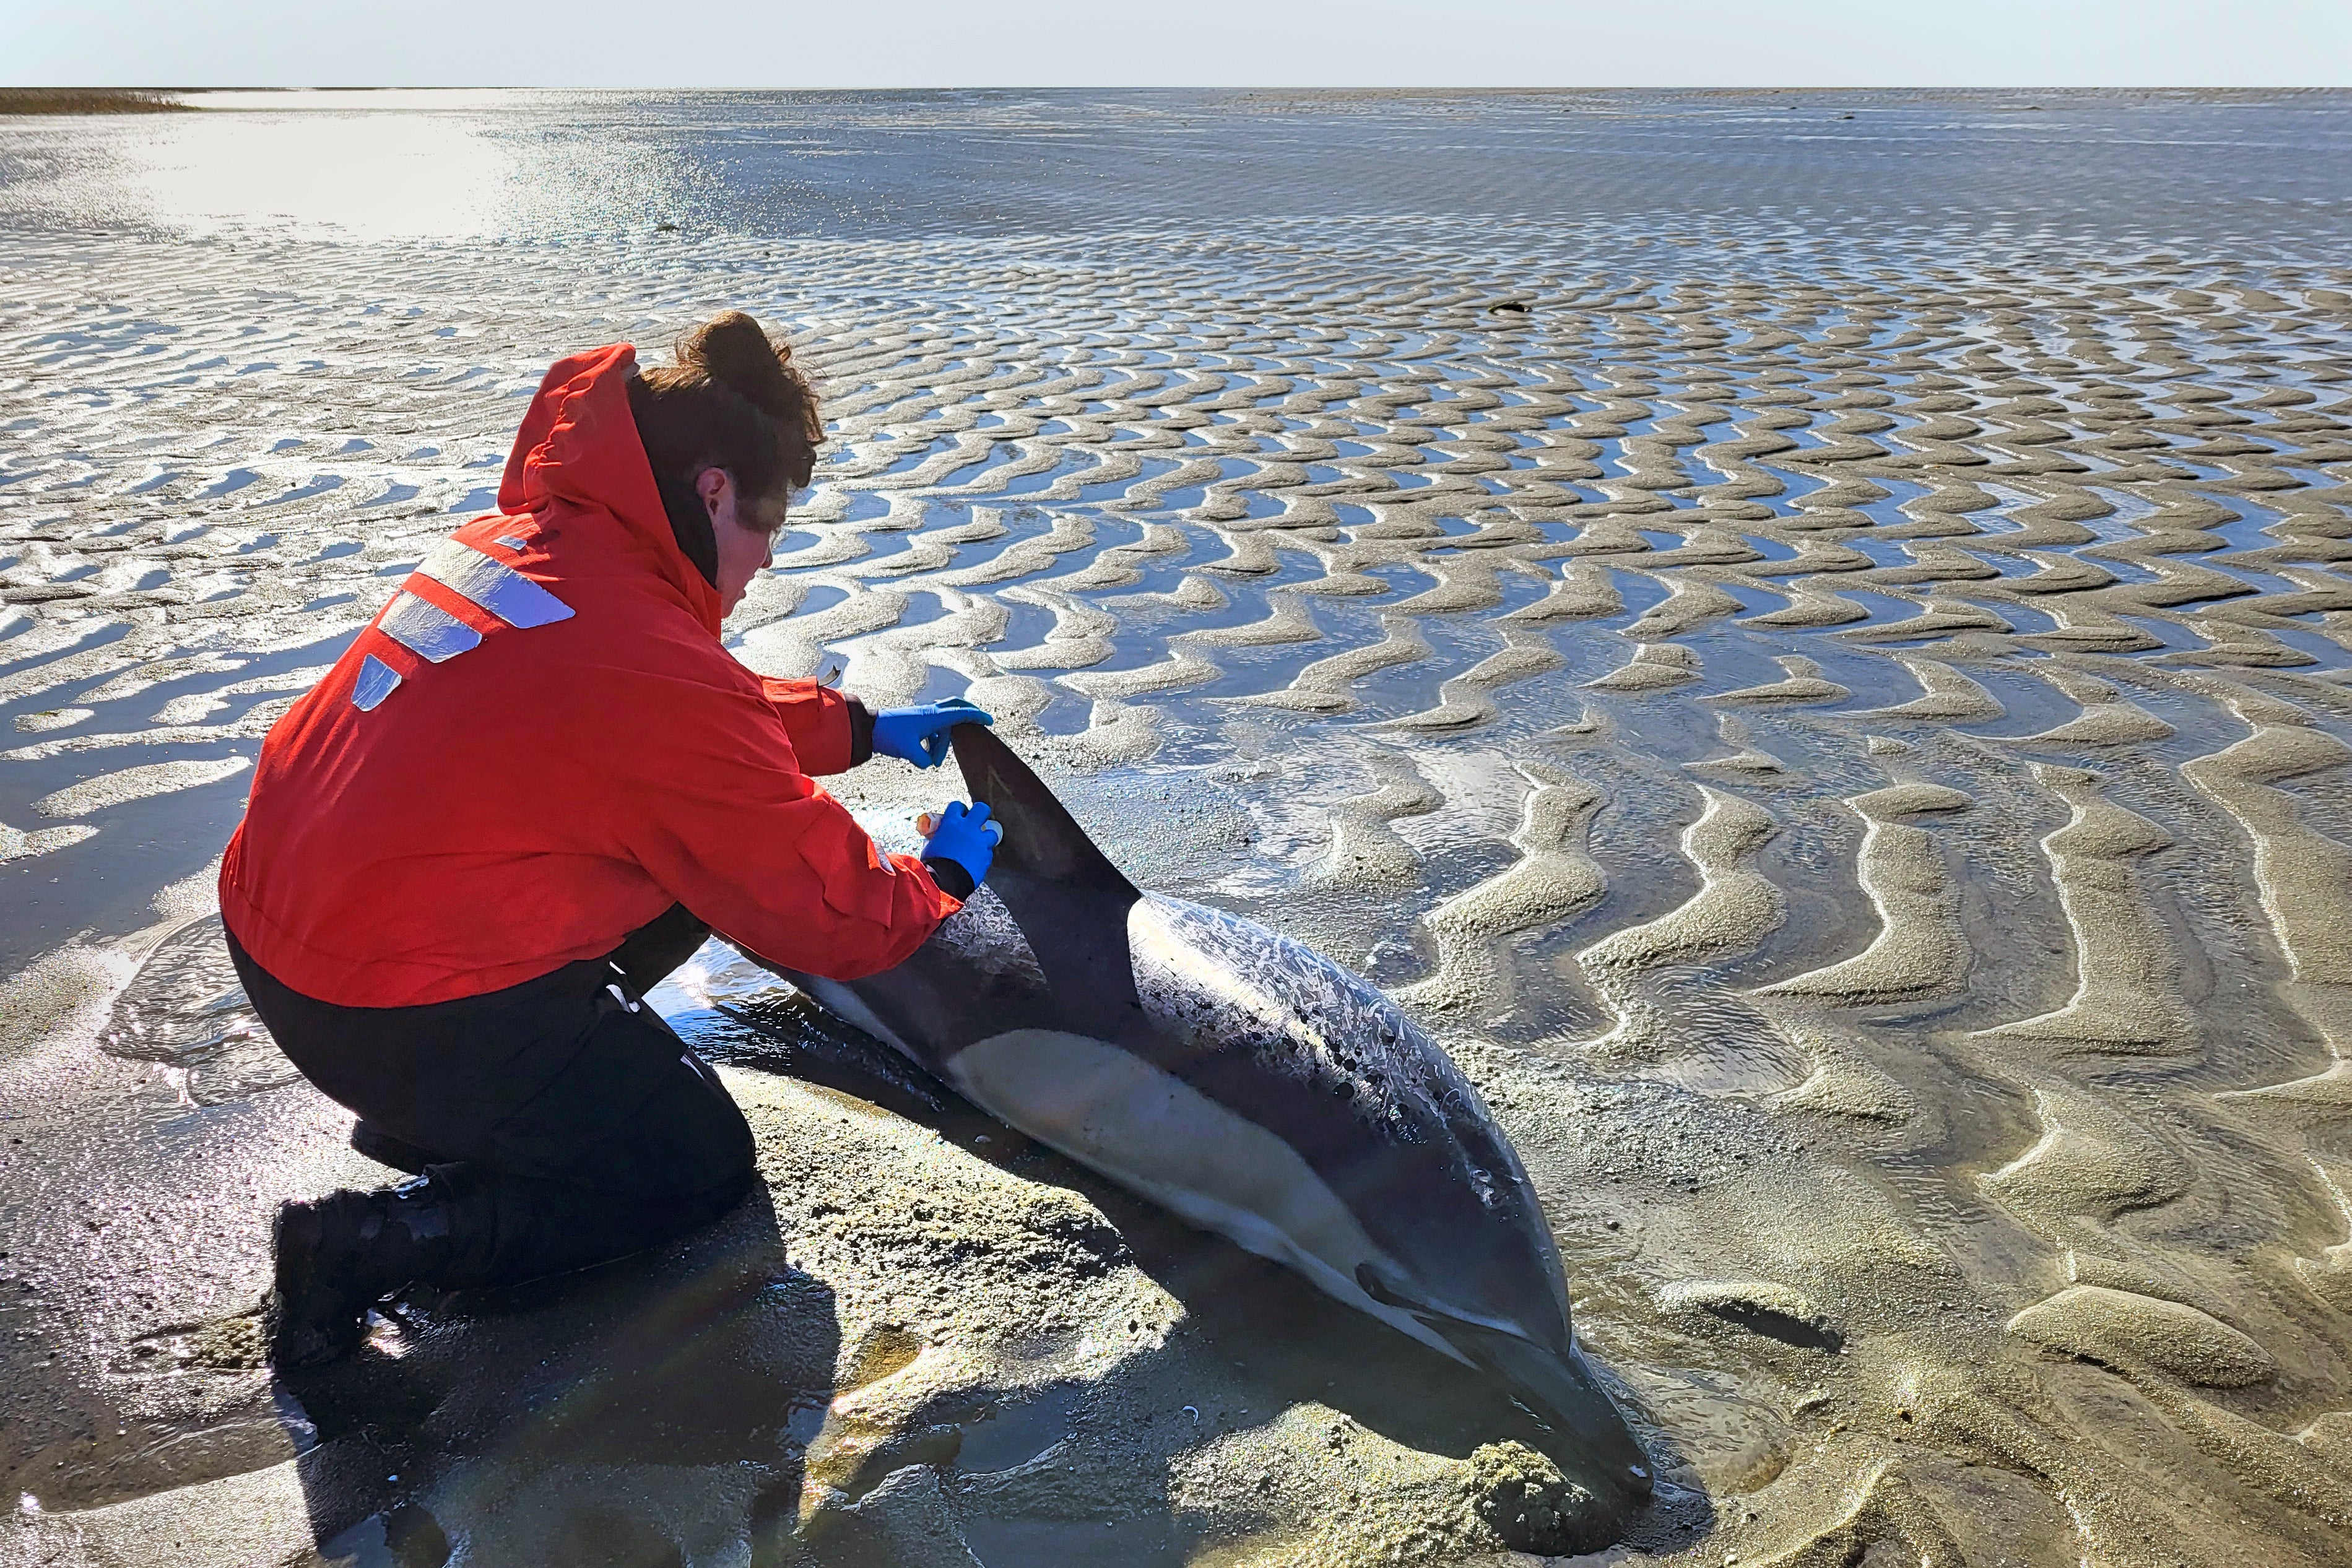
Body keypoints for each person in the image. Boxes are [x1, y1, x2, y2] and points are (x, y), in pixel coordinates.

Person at [218, 311, 1004, 1366]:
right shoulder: (644, 661)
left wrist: (857, 726)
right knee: (698, 1169)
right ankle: (373, 1241)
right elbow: (823, 907)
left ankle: (469, 1111)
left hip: (284, 934)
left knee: (681, 859)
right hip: (376, 1001)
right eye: (768, 523)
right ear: (714, 489)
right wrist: (941, 876)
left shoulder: (542, 546)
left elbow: (661, 714)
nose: (768, 556)